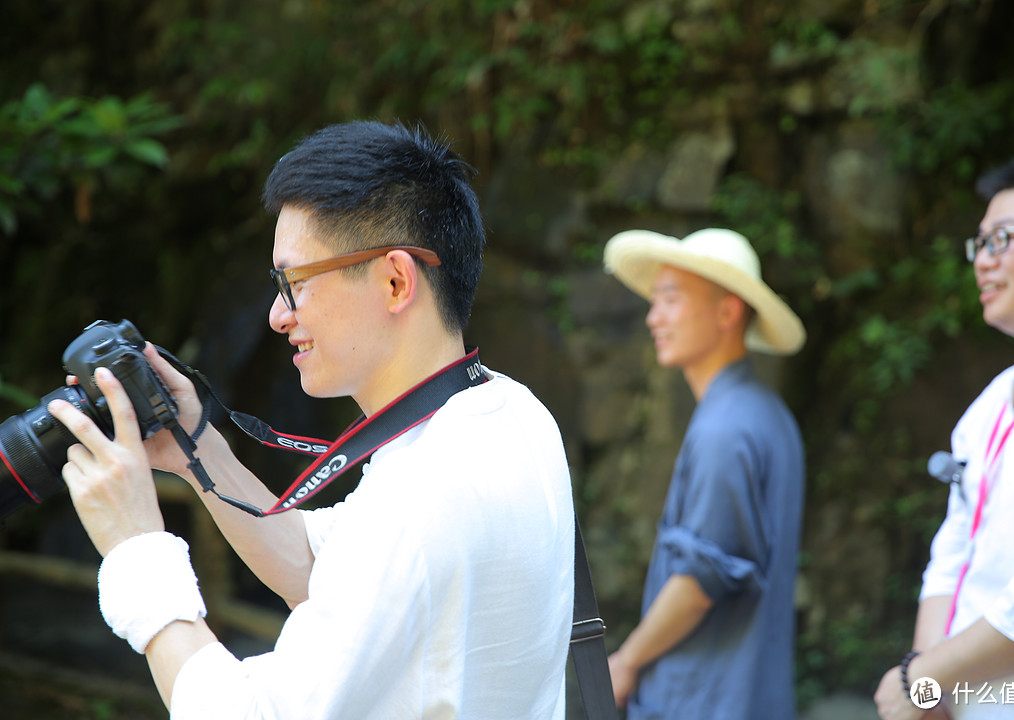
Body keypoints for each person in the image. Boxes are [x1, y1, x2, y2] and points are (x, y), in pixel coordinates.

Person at [46, 120, 576, 719]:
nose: (277, 315)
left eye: (293, 282)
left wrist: (136, 544)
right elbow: (320, 565)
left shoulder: (416, 501)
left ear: (396, 280)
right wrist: (200, 451)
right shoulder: (512, 414)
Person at [874, 151, 1014, 719]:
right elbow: (953, 549)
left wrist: (923, 678)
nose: (983, 262)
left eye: (1004, 239)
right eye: (979, 245)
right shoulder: (993, 401)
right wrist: (927, 683)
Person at [602, 228, 806, 719]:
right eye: (655, 301)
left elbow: (700, 581)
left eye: (670, 299)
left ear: (727, 311)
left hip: (704, 700)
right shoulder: (764, 412)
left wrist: (626, 661)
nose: (654, 317)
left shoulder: (725, 428)